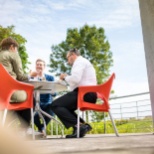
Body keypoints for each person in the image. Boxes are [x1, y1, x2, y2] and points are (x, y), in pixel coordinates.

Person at [50, 48, 97, 138]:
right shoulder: (84, 62)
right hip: (88, 93)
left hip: (85, 93)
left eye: (67, 58)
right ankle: (81, 126)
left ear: (72, 55)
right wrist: (66, 79)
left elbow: (75, 79)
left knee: (55, 105)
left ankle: (79, 126)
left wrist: (65, 77)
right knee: (65, 107)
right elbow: (75, 84)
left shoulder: (79, 62)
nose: (68, 61)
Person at [0, 37, 37, 135]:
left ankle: (18, 128)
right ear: (12, 47)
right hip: (11, 92)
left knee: (18, 102)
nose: (16, 51)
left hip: (1, 95)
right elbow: (21, 76)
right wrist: (30, 75)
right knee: (30, 97)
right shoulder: (13, 55)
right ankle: (25, 129)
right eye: (16, 49)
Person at [33, 58, 55, 135]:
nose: (39, 66)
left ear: (44, 67)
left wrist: (47, 84)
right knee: (32, 113)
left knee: (53, 109)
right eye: (37, 64)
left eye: (40, 65)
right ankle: (42, 129)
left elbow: (54, 94)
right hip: (34, 103)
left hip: (47, 103)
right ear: (35, 66)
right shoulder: (31, 77)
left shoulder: (50, 78)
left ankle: (41, 129)